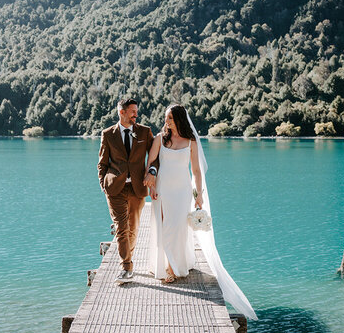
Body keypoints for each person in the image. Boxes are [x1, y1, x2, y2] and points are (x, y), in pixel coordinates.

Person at [146, 104, 257, 320]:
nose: (167, 122)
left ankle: (174, 265)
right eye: (166, 118)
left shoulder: (191, 142)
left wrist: (198, 194)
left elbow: (196, 170)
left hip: (182, 191)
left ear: (179, 119)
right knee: (164, 226)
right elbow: (151, 162)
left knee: (178, 228)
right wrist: (151, 185)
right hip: (162, 188)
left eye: (170, 118)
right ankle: (167, 266)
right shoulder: (160, 139)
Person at [97, 98, 159, 284]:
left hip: (137, 188)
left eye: (136, 111)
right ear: (121, 112)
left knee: (133, 228)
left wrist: (153, 172)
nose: (136, 115)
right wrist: (104, 185)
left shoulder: (144, 132)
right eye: (132, 111)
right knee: (121, 228)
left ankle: (127, 259)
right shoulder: (108, 134)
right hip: (115, 189)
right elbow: (102, 163)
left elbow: (155, 157)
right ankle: (126, 267)